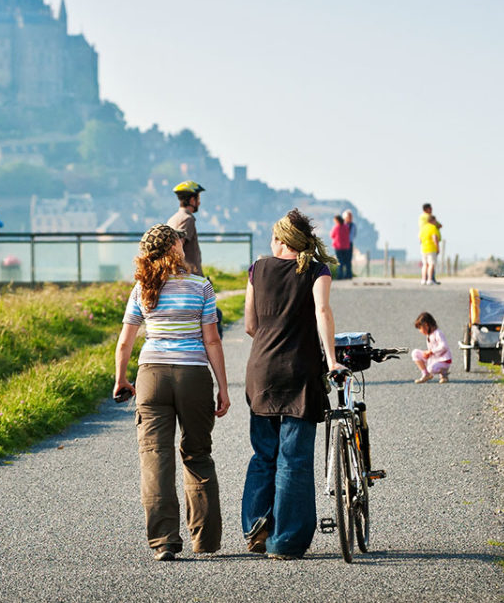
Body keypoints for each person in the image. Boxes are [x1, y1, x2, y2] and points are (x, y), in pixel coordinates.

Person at [113, 224, 230, 562]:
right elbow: (212, 340)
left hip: (151, 376)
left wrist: (121, 379)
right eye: (180, 240)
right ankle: (205, 540)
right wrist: (222, 386)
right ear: (174, 248)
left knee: (155, 457)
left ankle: (164, 541)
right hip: (193, 375)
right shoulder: (201, 287)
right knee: (197, 454)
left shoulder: (142, 288)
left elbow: (125, 341)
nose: (184, 242)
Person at [241, 208, 339, 560]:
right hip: (300, 374)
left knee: (263, 454)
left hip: (262, 372)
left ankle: (256, 526)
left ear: (280, 240)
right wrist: (331, 359)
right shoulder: (317, 271)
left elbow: (250, 325)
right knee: (294, 460)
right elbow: (322, 313)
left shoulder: (257, 269)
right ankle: (285, 542)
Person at [167, 181, 205, 276]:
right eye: (198, 198)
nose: (199, 203)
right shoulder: (188, 219)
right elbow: (176, 246)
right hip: (189, 277)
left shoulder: (173, 218)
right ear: (192, 200)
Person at [411, 312, 451, 384]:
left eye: (420, 328)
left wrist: (431, 351)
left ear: (426, 325)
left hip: (443, 360)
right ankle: (426, 374)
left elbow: (444, 346)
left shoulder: (438, 333)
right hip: (434, 358)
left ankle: (444, 374)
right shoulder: (429, 334)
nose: (420, 331)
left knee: (431, 369)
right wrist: (428, 353)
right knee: (415, 353)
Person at [419, 203, 442, 285]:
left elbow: (420, 238)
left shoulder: (423, 227)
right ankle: (430, 279)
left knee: (425, 264)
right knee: (431, 264)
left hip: (424, 246)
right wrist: (438, 248)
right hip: (431, 247)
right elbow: (434, 238)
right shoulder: (431, 225)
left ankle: (423, 279)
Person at [330, 214, 353, 280]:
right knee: (346, 261)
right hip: (346, 246)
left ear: (337, 220)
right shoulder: (346, 227)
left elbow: (332, 235)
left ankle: (340, 275)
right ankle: (348, 274)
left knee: (340, 261)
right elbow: (348, 234)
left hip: (338, 246)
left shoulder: (336, 227)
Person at [342, 209, 358, 277]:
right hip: (342, 244)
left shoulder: (353, 225)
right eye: (349, 216)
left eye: (351, 217)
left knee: (349, 259)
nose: (351, 218)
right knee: (342, 260)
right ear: (345, 218)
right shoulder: (342, 225)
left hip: (350, 243)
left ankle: (348, 274)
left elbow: (354, 234)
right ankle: (341, 275)